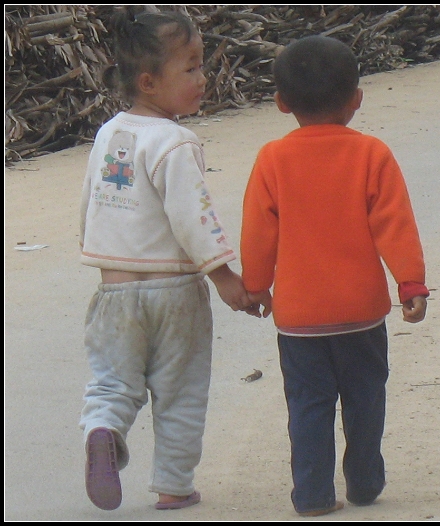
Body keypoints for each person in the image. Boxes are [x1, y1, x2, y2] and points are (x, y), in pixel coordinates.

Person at [78, 7, 259, 511]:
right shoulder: (174, 141)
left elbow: (91, 202)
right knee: (181, 391)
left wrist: (96, 251)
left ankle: (102, 429)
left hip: (115, 290)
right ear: (149, 82)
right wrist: (224, 277)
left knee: (112, 381)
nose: (203, 78)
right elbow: (191, 217)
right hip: (174, 293)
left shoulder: (109, 134)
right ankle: (175, 485)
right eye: (191, 68)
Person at [240, 35, 429, 517]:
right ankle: (364, 482)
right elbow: (394, 224)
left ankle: (312, 494)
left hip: (299, 318)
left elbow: (259, 230)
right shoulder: (372, 155)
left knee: (308, 405)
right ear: (356, 99)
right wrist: (410, 283)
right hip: (361, 312)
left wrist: (256, 286)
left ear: (281, 102)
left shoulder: (271, 159)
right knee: (365, 399)